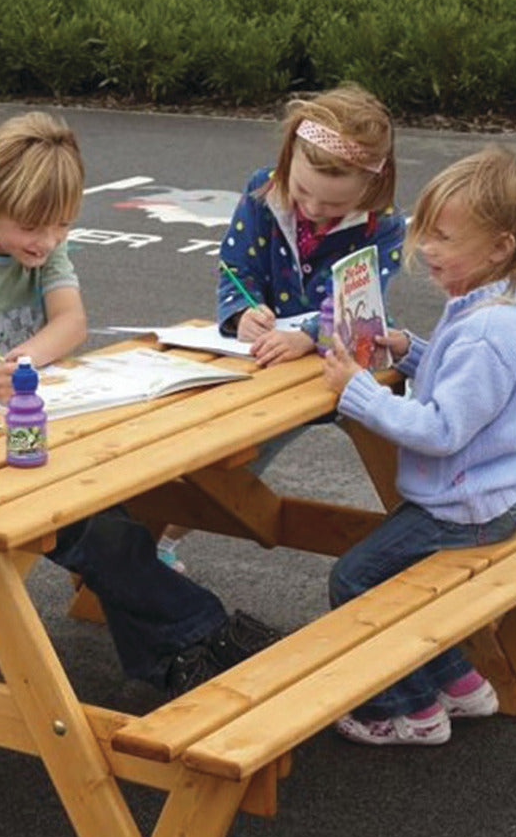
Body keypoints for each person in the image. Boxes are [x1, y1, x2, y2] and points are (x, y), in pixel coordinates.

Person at [0, 110, 279, 698]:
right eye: (32, 228)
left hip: (35, 426)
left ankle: (165, 663)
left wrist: (21, 363)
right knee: (100, 533)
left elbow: (72, 321)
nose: (47, 242)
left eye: (62, 228)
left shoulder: (42, 246)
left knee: (112, 520)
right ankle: (203, 630)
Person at [321, 143, 516, 746]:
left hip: (466, 507)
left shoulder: (486, 334)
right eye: (427, 233)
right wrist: (409, 349)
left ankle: (409, 709)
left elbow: (443, 430)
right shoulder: (491, 308)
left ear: (500, 247)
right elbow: (465, 388)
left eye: (445, 238)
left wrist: (361, 392)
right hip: (487, 495)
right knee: (394, 570)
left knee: (356, 579)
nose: (427, 250)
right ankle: (463, 684)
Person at [158, 82, 405, 572]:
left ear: (371, 189)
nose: (312, 208)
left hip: (349, 362)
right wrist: (242, 311)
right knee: (232, 460)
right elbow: (235, 267)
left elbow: (358, 301)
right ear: (288, 158)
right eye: (303, 192)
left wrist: (307, 334)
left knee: (405, 465)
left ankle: (439, 545)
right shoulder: (261, 191)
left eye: (332, 206)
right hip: (269, 363)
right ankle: (159, 539)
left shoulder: (385, 225)